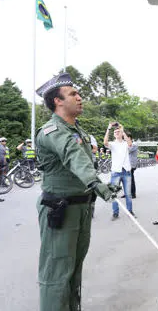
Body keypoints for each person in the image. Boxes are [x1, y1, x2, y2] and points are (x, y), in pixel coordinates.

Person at [34, 72, 119, 311]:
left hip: (81, 207)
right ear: (57, 101)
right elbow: (73, 156)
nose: (80, 98)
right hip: (60, 210)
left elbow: (81, 164)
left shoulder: (77, 131)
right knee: (56, 273)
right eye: (73, 94)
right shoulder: (52, 131)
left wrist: (99, 184)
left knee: (73, 269)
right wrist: (96, 183)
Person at [104, 122, 135, 220]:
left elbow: (130, 143)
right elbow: (105, 143)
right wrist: (109, 129)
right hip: (116, 172)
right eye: (115, 132)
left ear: (121, 133)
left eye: (118, 131)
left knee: (128, 193)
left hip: (126, 171)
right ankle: (115, 213)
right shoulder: (112, 144)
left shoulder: (126, 143)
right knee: (114, 194)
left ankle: (130, 211)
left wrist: (122, 130)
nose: (117, 133)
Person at [126, 132, 138, 198]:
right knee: (126, 179)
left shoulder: (134, 144)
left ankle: (133, 193)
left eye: (125, 138)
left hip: (131, 164)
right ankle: (127, 193)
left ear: (129, 138)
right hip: (126, 164)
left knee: (131, 179)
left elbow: (128, 150)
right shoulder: (127, 144)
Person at [0, 137, 7, 202]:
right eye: (3, 141)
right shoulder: (1, 148)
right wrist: (3, 165)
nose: (5, 142)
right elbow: (2, 158)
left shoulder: (3, 147)